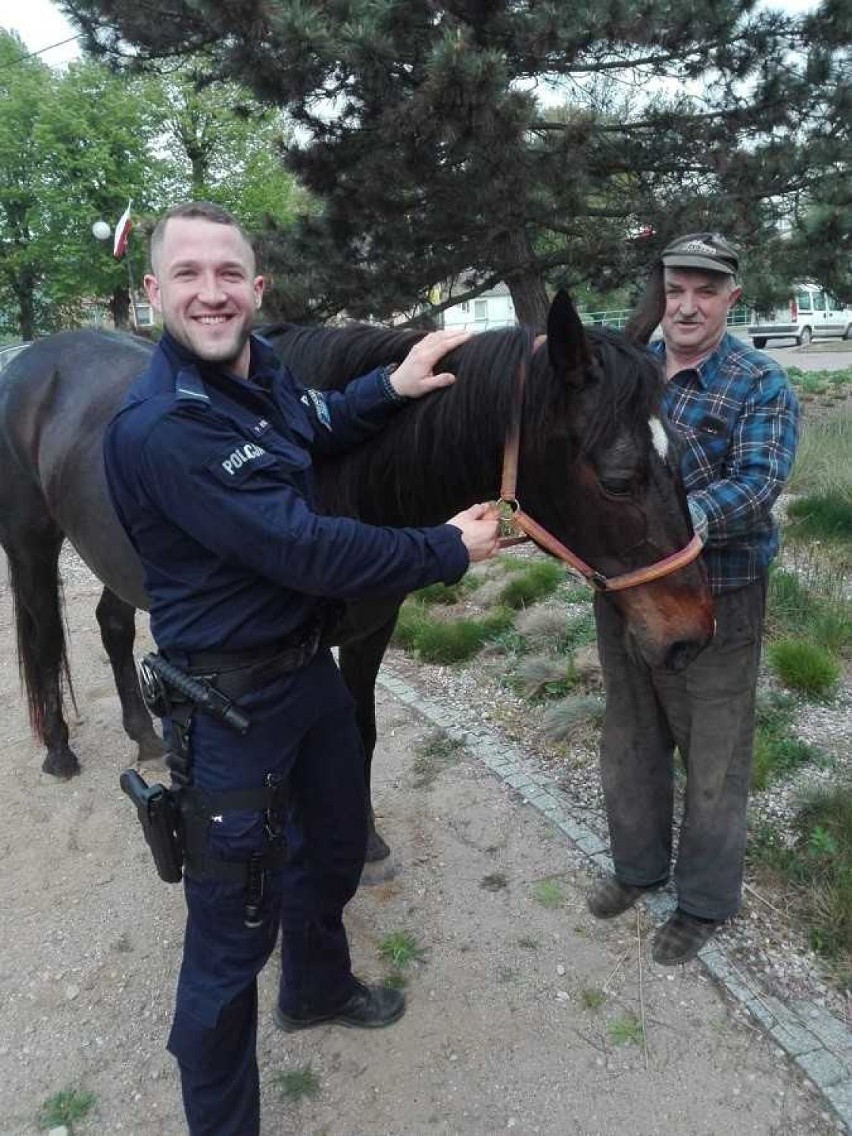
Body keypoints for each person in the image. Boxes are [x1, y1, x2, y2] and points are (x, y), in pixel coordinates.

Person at [103, 201, 499, 1136]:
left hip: (306, 675)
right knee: (229, 939)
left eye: (229, 273)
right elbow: (306, 549)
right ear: (156, 292)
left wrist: (392, 388)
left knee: (330, 850)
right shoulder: (164, 426)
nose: (212, 291)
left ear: (255, 288)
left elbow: (313, 421)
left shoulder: (260, 370)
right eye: (189, 275)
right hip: (228, 707)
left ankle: (317, 990)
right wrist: (445, 548)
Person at [588, 232, 800, 965]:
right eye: (676, 288)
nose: (687, 305)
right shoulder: (630, 373)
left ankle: (704, 902)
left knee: (714, 753)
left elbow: (759, 480)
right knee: (631, 735)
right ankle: (637, 868)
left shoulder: (758, 382)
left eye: (706, 290)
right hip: (624, 595)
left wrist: (674, 525)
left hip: (720, 596)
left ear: (731, 297)